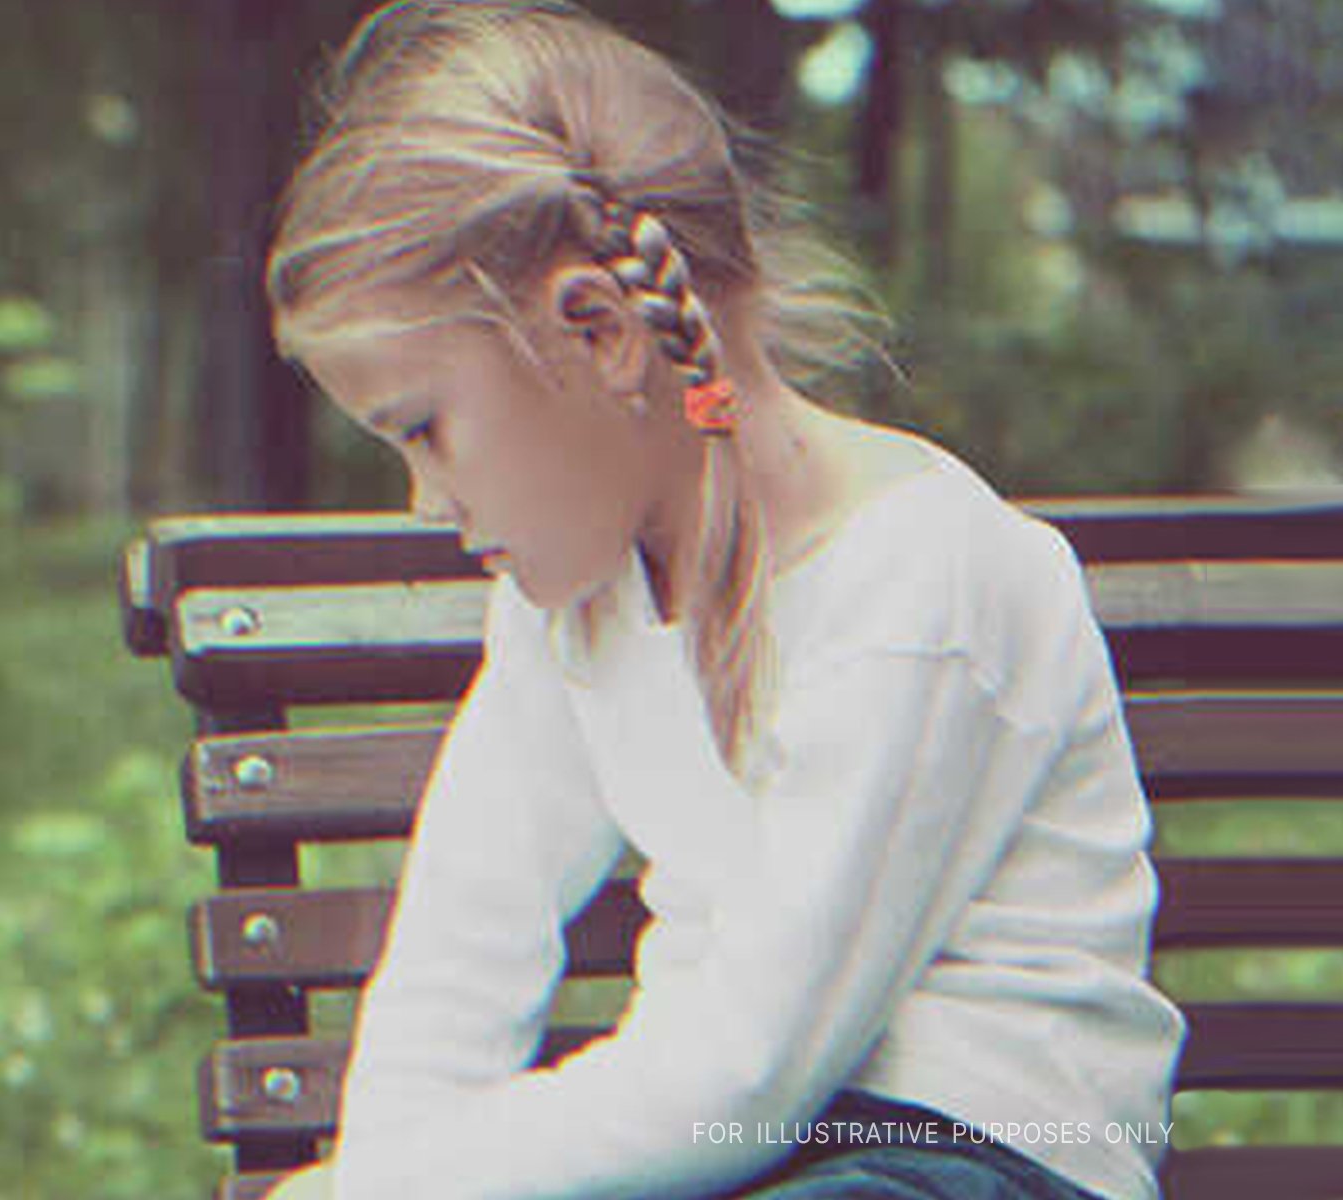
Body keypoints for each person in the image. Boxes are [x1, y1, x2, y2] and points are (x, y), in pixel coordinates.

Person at [256, 3, 1185, 1199]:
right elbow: (460, 955)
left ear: (597, 332)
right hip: (746, 1159)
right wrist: (382, 1175)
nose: (425, 501)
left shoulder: (919, 579)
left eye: (425, 432)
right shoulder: (573, 598)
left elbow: (744, 1077)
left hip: (971, 1158)